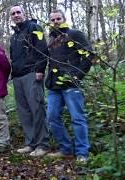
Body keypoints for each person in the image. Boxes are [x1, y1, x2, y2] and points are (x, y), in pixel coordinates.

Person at [45, 10, 94, 162]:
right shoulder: (52, 39)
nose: (55, 21)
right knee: (52, 117)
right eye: (52, 19)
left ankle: (82, 153)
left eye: (58, 18)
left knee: (77, 118)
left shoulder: (75, 34)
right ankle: (66, 149)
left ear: (64, 19)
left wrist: (76, 76)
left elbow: (88, 55)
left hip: (71, 84)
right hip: (54, 86)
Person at [9, 5, 49, 156]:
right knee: (24, 112)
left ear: (24, 14)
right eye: (13, 13)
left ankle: (42, 145)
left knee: (37, 109)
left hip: (32, 74)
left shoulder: (34, 27)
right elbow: (13, 57)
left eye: (18, 12)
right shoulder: (14, 36)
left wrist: (40, 69)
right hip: (18, 77)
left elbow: (43, 49)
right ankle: (30, 143)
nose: (16, 15)